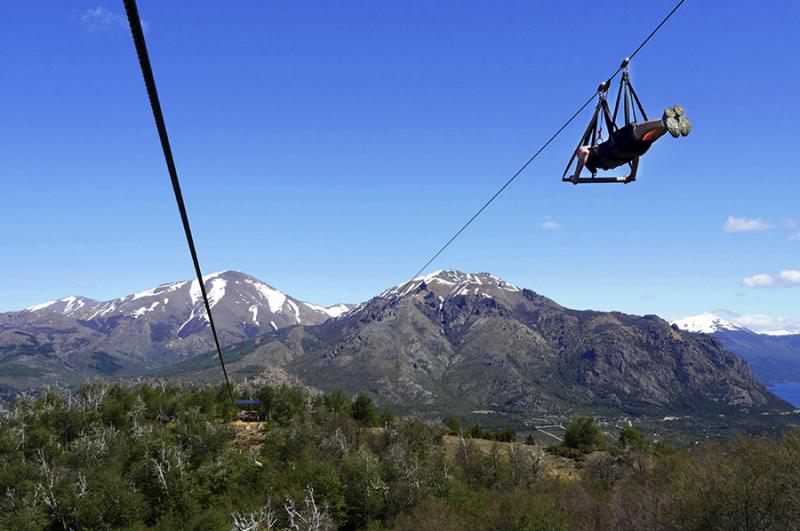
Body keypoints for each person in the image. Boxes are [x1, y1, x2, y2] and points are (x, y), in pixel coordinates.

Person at [570, 105, 691, 181]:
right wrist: (576, 176)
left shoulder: (604, 163)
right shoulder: (591, 154)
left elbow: (635, 156)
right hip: (619, 147)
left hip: (634, 152)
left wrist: (632, 175)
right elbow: (584, 152)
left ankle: (669, 125)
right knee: (634, 130)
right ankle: (663, 122)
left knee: (647, 139)